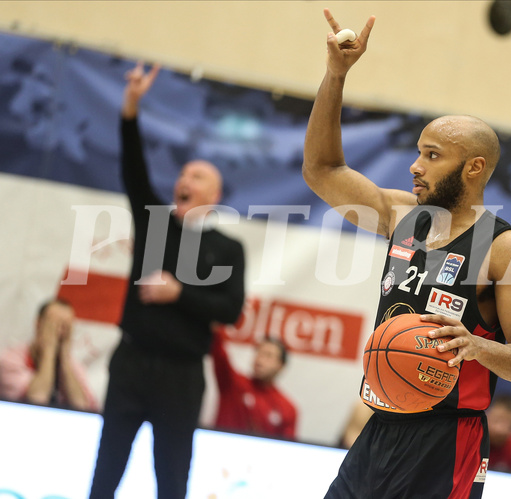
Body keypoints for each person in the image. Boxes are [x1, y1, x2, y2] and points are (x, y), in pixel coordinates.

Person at [303, 9, 511, 498]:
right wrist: (336, 75)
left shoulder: (503, 248)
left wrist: (479, 347)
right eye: (418, 151)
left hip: (449, 439)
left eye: (433, 155)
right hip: (381, 422)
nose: (415, 166)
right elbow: (322, 170)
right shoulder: (402, 215)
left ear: (474, 167)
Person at [89, 63, 245, 499]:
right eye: (182, 174)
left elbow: (230, 310)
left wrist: (180, 293)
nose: (183, 180)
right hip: (131, 364)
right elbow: (133, 169)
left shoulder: (227, 249)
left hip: (182, 376)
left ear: (213, 197)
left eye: (196, 177)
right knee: (106, 472)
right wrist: (132, 105)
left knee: (172, 480)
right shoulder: (155, 223)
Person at [0, 299, 96, 411]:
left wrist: (64, 359)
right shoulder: (11, 359)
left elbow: (83, 408)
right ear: (38, 323)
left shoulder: (73, 367)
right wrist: (49, 351)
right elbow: (36, 400)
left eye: (66, 327)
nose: (60, 333)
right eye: (53, 325)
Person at [210, 328, 297, 439]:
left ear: (281, 366)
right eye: (258, 352)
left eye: (268, 355)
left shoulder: (287, 409)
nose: (260, 360)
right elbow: (219, 351)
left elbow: (285, 448)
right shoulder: (232, 383)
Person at [486, 393, 511, 472]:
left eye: (510, 425)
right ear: (486, 415)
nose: (500, 429)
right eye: (496, 420)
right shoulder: (470, 438)